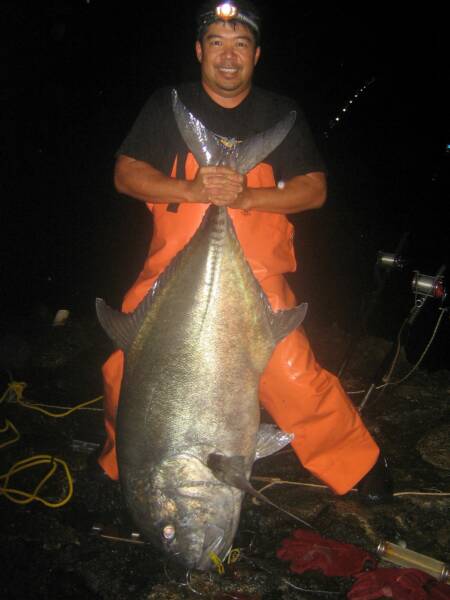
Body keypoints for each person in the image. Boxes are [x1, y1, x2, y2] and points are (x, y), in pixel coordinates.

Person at [97, 0, 392, 504]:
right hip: (171, 270)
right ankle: (124, 463)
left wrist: (247, 195)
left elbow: (314, 191)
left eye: (240, 44)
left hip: (254, 273)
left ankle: (356, 463)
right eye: (217, 42)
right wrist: (194, 190)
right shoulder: (167, 103)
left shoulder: (281, 114)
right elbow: (126, 174)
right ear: (198, 51)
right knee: (126, 367)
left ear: (257, 55)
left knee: (290, 371)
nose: (228, 56)